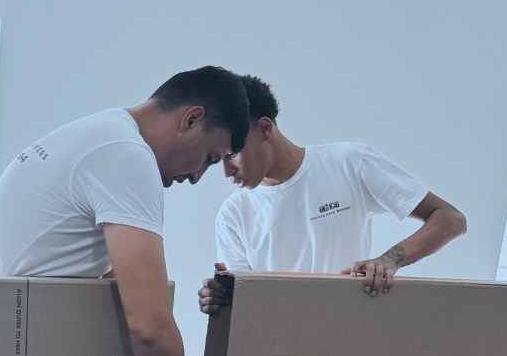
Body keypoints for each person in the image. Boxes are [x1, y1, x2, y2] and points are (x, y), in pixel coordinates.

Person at [0, 66, 249, 356]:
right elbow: (148, 326)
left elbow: (117, 284)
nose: (196, 177)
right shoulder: (127, 157)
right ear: (191, 119)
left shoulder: (99, 132)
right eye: (207, 158)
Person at [198, 75, 466, 314]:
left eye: (232, 153)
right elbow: (247, 308)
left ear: (265, 129)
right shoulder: (232, 215)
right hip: (282, 344)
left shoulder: (349, 164)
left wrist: (390, 259)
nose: (227, 171)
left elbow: (450, 219)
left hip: (349, 337)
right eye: (219, 158)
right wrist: (222, 300)